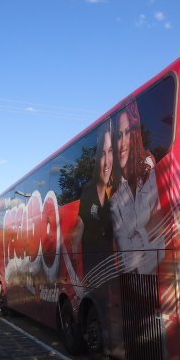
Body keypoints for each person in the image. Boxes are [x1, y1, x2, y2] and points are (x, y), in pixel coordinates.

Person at [110, 100, 164, 274]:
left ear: (135, 136)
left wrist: (135, 239)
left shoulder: (147, 166)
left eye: (128, 133)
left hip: (159, 273)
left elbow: (158, 221)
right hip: (134, 279)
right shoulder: (115, 193)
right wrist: (146, 233)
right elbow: (123, 246)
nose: (124, 143)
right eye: (119, 136)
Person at [70, 120, 114, 280]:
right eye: (102, 153)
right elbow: (76, 235)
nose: (107, 161)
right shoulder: (89, 191)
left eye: (110, 152)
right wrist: (76, 267)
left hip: (110, 272)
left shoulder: (112, 195)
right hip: (94, 274)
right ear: (96, 159)